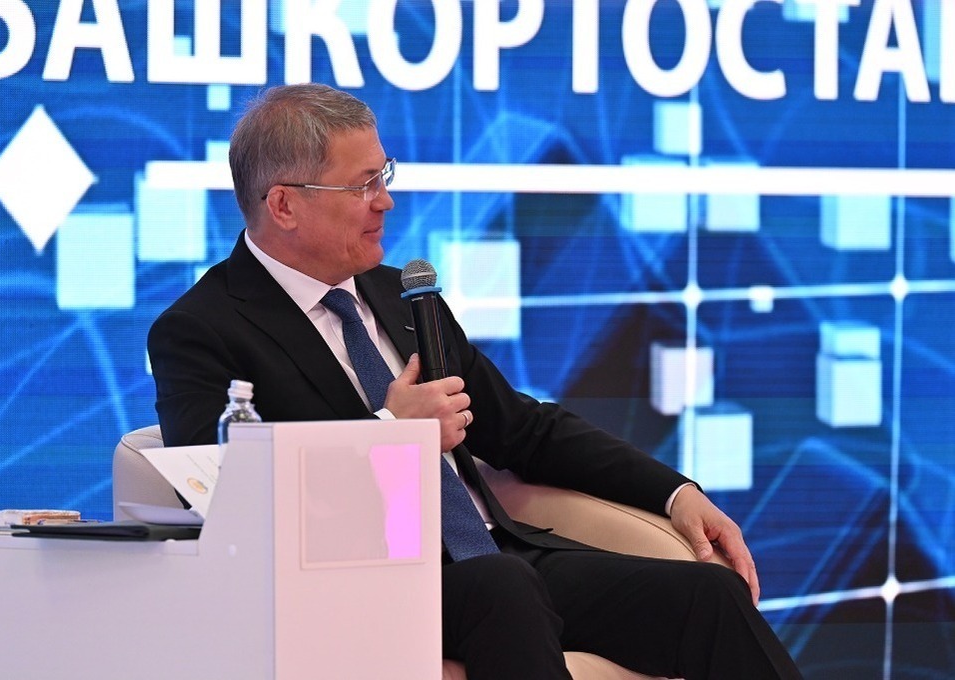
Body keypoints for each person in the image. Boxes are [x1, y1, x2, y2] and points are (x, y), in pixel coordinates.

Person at [147, 82, 803, 680]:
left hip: (494, 557)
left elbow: (525, 430)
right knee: (503, 587)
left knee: (707, 595)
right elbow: (227, 500)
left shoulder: (399, 297)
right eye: (362, 186)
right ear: (284, 205)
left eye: (383, 175)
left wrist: (674, 492)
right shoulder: (200, 331)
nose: (385, 201)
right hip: (357, 586)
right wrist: (390, 436)